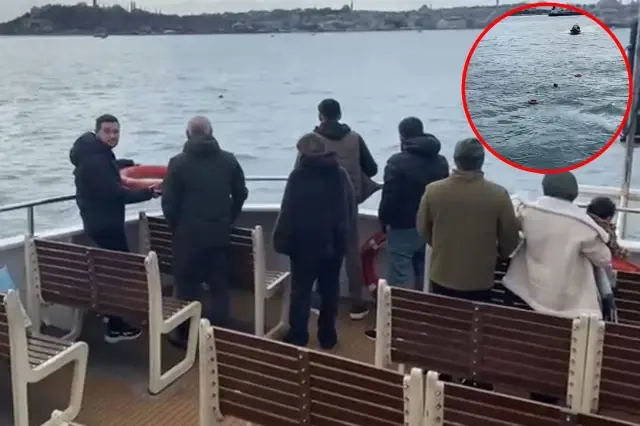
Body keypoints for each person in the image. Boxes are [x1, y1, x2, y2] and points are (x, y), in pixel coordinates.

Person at [69, 114, 158, 343]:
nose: (112, 136)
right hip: (106, 225)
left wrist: (125, 164)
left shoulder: (93, 152)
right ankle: (115, 327)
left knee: (110, 271)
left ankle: (111, 317)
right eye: (107, 131)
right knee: (119, 274)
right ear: (97, 131)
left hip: (96, 222)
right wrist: (148, 193)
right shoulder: (96, 160)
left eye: (116, 132)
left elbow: (106, 169)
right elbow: (115, 193)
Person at [161, 116, 248, 347]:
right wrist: (229, 218)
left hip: (188, 236)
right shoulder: (228, 160)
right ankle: (217, 335)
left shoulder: (177, 163)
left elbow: (169, 203)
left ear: (187, 134)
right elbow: (241, 193)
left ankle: (185, 336)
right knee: (219, 286)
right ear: (212, 132)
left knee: (186, 287)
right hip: (219, 233)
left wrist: (178, 227)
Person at [364, 118, 449, 340]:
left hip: (403, 226)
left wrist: (384, 220)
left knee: (401, 276)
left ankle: (399, 326)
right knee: (422, 272)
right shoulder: (441, 162)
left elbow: (390, 196)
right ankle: (421, 322)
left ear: (402, 136)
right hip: (430, 227)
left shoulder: (397, 162)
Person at [301, 98, 380, 321]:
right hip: (348, 202)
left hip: (319, 205)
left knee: (321, 250)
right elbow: (372, 169)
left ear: (320, 116)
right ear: (339, 115)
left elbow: (300, 172)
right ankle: (357, 304)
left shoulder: (312, 140)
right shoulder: (355, 138)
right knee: (351, 253)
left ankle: (320, 300)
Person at [273, 133, 354, 349]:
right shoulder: (339, 174)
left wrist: (281, 240)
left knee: (301, 291)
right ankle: (327, 336)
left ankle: (298, 335)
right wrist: (342, 241)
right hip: (333, 243)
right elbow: (347, 209)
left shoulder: (297, 177)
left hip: (303, 245)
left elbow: (288, 211)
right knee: (330, 290)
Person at [416, 137, 520, 302]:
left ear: (456, 159)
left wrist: (443, 248)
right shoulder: (498, 195)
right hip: (479, 279)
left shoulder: (433, 191)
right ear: (481, 161)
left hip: (442, 274)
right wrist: (496, 256)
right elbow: (510, 239)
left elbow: (422, 228)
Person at [503, 173, 611, 320]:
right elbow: (604, 259)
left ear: (545, 187)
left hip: (524, 294)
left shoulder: (528, 212)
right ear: (574, 193)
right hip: (569, 307)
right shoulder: (584, 226)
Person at [586, 196, 626, 321]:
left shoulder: (581, 223)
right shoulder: (606, 230)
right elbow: (615, 252)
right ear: (608, 217)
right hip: (599, 274)